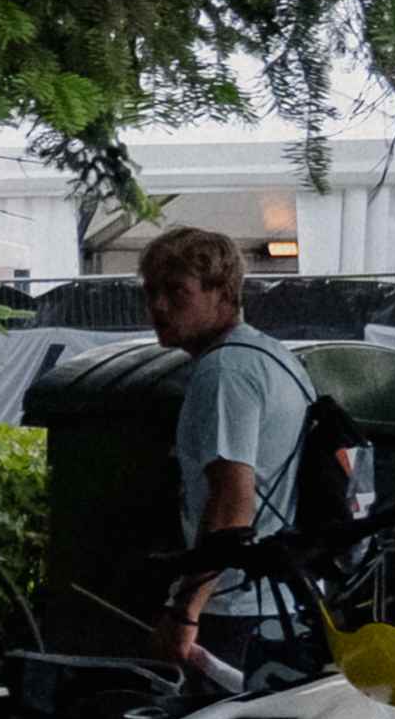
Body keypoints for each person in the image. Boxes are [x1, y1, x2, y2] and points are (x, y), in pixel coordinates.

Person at [132, 225, 316, 665]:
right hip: (281, 597)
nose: (158, 306)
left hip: (233, 607)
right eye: (151, 291)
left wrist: (185, 610)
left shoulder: (224, 373)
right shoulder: (273, 356)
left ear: (223, 292)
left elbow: (232, 503)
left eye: (177, 292)